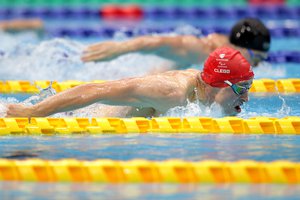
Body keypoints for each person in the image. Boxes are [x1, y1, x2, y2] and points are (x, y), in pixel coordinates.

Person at [6, 47, 254, 118]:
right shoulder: (171, 92)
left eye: (248, 88)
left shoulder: (200, 92)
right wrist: (35, 111)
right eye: (241, 89)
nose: (245, 98)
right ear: (217, 84)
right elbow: (96, 90)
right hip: (78, 122)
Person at [82, 18, 270, 71]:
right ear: (240, 48)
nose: (257, 66)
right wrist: (119, 48)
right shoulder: (204, 51)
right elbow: (158, 42)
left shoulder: (230, 49)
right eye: (256, 59)